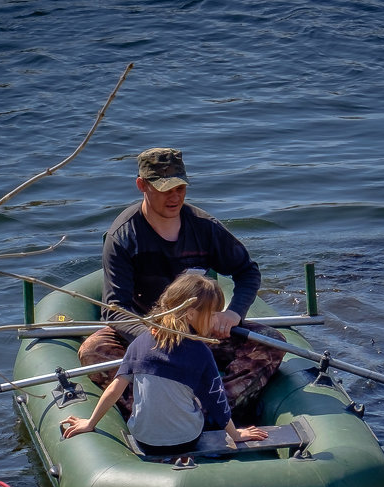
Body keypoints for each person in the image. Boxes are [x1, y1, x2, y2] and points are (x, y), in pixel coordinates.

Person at [77, 146, 284, 419]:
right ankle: (149, 409)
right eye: (165, 189)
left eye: (180, 188)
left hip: (200, 329)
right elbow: (115, 308)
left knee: (270, 343)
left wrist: (233, 314)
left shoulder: (204, 227)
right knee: (94, 351)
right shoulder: (124, 236)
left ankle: (215, 408)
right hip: (148, 333)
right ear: (142, 185)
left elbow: (247, 272)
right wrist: (154, 340)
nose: (174, 197)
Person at [62, 272, 269, 455]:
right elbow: (216, 399)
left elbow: (115, 390)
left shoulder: (140, 342)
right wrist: (235, 433)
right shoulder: (201, 352)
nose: (216, 320)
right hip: (186, 440)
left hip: (145, 441)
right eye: (212, 314)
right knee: (198, 398)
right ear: (190, 313)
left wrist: (89, 423)